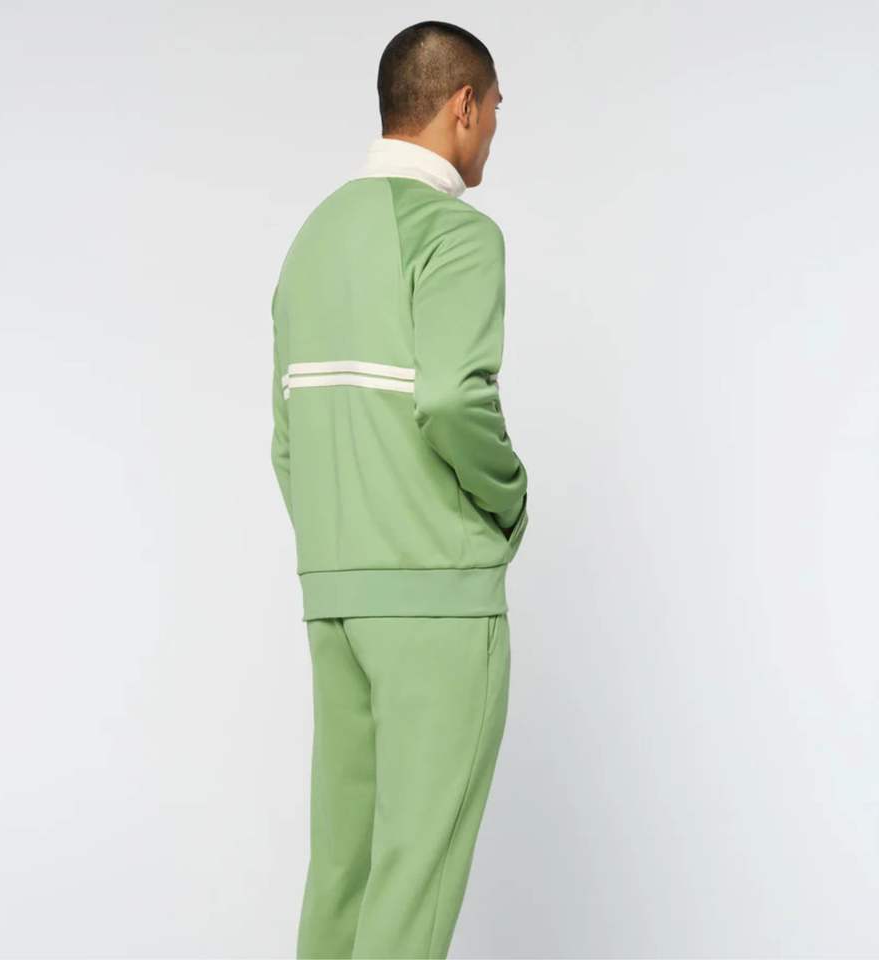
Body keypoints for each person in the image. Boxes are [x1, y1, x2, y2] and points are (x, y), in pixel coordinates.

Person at [270, 20, 529, 959]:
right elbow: (453, 399)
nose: (495, 128)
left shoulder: (313, 240)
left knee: (341, 875)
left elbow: (287, 441)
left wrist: (339, 550)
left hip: (335, 597)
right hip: (436, 600)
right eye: (494, 108)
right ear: (463, 105)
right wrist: (508, 500)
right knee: (414, 888)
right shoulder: (457, 236)